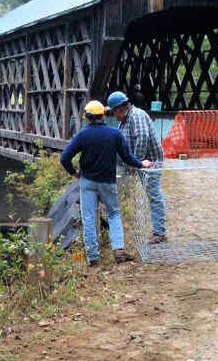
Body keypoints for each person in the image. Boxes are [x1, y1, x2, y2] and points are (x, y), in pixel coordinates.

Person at [60, 100, 152, 266]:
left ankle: (93, 258)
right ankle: (118, 250)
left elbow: (64, 158)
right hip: (108, 182)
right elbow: (127, 157)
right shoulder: (115, 134)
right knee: (114, 214)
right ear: (103, 115)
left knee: (88, 218)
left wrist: (74, 173)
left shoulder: (83, 134)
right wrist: (141, 163)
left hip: (87, 182)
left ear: (87, 117)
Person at [106, 91, 167, 244]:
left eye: (114, 113)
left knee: (154, 196)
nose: (114, 116)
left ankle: (159, 233)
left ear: (120, 109)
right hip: (139, 164)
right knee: (146, 196)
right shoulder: (125, 120)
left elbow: (142, 137)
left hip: (150, 163)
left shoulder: (136, 115)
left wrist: (136, 161)